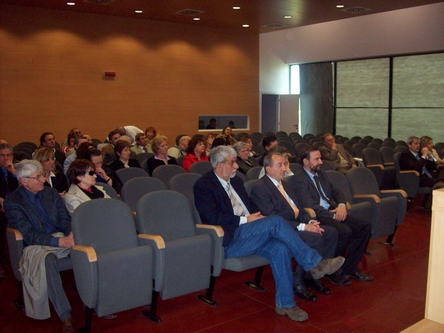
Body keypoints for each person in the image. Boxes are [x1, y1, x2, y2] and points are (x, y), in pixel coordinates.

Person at [193, 146, 345, 322]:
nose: (236, 166)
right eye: (232, 162)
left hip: (251, 234)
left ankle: (285, 304)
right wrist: (246, 220)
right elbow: (212, 216)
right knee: (276, 221)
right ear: (219, 165)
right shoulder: (203, 185)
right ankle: (315, 263)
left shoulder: (236, 181)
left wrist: (259, 217)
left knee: (280, 248)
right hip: (229, 239)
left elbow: (251, 207)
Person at [251, 152, 338, 301]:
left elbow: (299, 208)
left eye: (284, 164)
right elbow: (273, 219)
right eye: (280, 165)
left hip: (295, 223)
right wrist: (303, 226)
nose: (284, 168)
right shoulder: (261, 187)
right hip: (280, 230)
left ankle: (311, 276)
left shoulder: (285, 184)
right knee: (314, 238)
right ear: (268, 168)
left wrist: (310, 221)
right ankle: (297, 283)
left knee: (331, 233)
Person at [4, 160, 76, 333]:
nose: (43, 180)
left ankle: (96, 299)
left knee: (88, 247)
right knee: (48, 260)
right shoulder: (13, 202)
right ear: (24, 181)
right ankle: (65, 316)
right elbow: (28, 234)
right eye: (38, 177)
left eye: (42, 175)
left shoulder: (50, 193)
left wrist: (71, 234)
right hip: (35, 245)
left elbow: (64, 220)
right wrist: (60, 242)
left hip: (60, 237)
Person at [291, 146, 373, 285]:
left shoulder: (321, 174)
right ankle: (333, 270)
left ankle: (350, 267)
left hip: (331, 210)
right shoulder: (299, 179)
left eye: (320, 158)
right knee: (344, 231)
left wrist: (341, 205)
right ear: (306, 161)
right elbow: (310, 205)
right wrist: (332, 216)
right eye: (316, 159)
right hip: (317, 215)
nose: (320, 161)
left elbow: (336, 191)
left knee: (364, 226)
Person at [0, 143, 19, 278]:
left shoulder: (15, 170)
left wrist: (14, 172)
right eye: (2, 155)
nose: (5, 158)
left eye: (8, 155)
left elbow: (24, 188)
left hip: (13, 205)